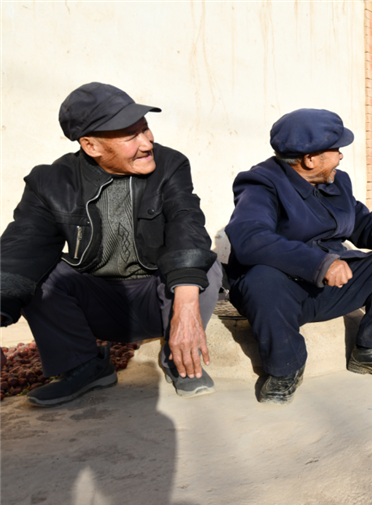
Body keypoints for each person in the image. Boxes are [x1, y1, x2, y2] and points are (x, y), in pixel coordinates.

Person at [0, 82, 222, 406]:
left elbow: (186, 223)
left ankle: (178, 358)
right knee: (41, 272)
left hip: (155, 297)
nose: (147, 142)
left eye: (145, 128)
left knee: (202, 263)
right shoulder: (50, 182)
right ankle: (84, 366)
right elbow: (23, 246)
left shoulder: (170, 164)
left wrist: (186, 308)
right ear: (91, 146)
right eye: (131, 135)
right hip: (98, 304)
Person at [225, 108, 372, 404]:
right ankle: (285, 368)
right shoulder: (261, 182)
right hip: (282, 296)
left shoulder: (337, 181)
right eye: (336, 149)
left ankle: (371, 351)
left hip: (332, 286)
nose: (341, 156)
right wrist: (319, 263)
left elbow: (363, 222)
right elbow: (249, 237)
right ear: (310, 159)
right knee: (260, 279)